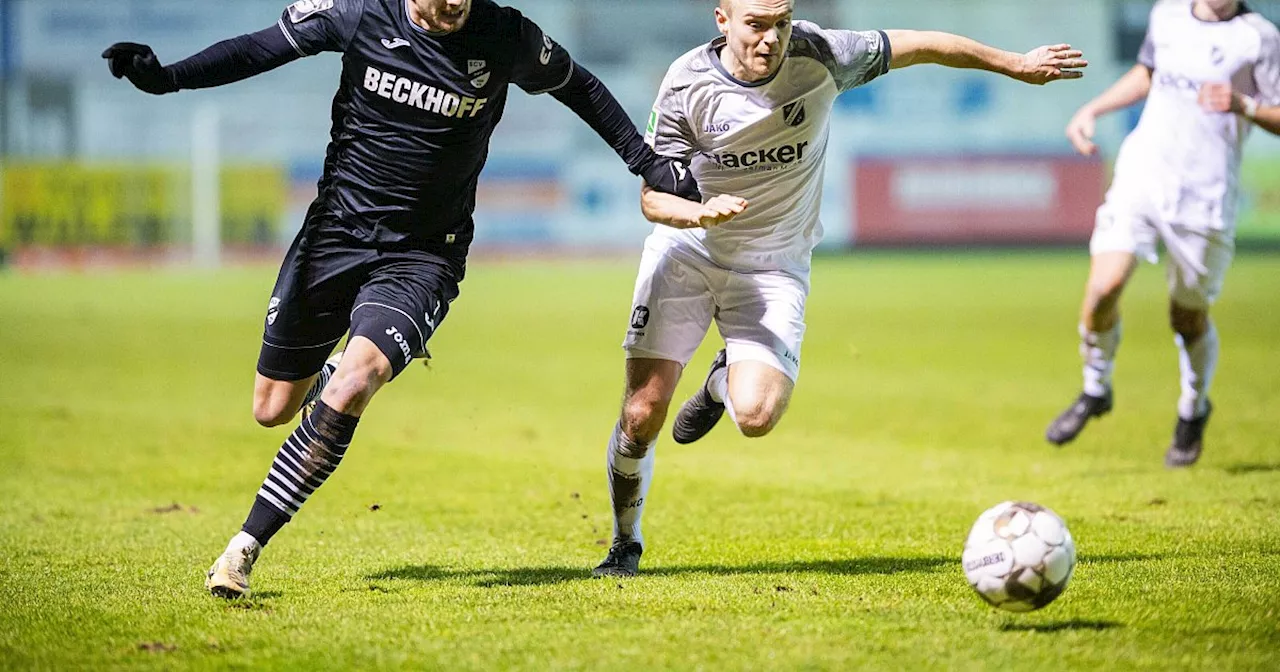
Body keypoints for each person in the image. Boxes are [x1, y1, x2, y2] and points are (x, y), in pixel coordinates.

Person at [103, 0, 701, 598]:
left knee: (354, 384)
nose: (454, 6)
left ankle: (242, 549)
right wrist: (170, 77)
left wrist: (647, 164)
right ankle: (331, 380)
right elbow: (263, 47)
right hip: (333, 236)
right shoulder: (358, 12)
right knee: (273, 407)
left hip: (424, 255)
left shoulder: (504, 32)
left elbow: (580, 86)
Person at [592, 0, 1088, 577]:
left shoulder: (821, 53)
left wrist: (1015, 63)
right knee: (642, 413)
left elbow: (922, 42)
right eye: (757, 25)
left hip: (773, 267)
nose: (772, 38)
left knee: (755, 416)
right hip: (687, 253)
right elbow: (653, 197)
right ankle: (626, 542)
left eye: (780, 23)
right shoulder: (687, 82)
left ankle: (724, 381)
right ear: (722, 20)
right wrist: (697, 215)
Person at [1046, 0, 1280, 467]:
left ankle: (1193, 408)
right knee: (1103, 288)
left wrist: (1243, 104)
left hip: (1205, 197)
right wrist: (1094, 107)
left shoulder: (1259, 37)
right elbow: (1146, 73)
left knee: (1186, 319)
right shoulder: (1167, 14)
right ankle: (1096, 388)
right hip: (1143, 178)